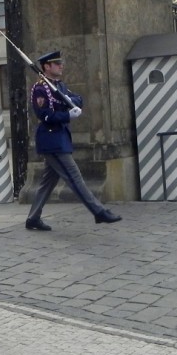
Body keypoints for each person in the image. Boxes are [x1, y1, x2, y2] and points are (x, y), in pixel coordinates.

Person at [25, 50, 122, 231]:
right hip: (52, 140)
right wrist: (66, 114)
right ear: (46, 66)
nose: (61, 65)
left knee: (48, 182)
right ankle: (98, 211)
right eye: (56, 63)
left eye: (60, 63)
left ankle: (33, 218)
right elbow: (45, 116)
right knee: (74, 176)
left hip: (61, 138)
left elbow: (78, 98)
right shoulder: (40, 88)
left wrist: (70, 100)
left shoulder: (59, 86)